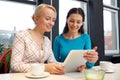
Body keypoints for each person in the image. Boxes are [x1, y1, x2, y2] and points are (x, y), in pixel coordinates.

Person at [10, 4, 65, 74]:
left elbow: (53, 62)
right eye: (48, 19)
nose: (52, 23)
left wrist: (70, 66)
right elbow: (15, 65)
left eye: (53, 20)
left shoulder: (47, 41)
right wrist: (44, 67)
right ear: (36, 19)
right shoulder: (21, 36)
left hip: (39, 77)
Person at [53, 8, 98, 72]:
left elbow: (89, 65)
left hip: (79, 74)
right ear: (67, 20)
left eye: (78, 22)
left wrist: (91, 60)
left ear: (82, 23)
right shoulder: (58, 39)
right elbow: (54, 62)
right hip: (62, 73)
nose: (74, 25)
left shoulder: (86, 38)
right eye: (72, 21)